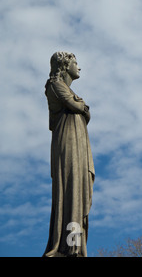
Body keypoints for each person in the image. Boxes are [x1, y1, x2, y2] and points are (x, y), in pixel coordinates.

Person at [43, 51, 95, 257]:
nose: (79, 67)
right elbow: (76, 105)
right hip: (67, 142)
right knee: (70, 188)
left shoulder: (64, 88)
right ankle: (66, 246)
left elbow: (84, 110)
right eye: (75, 62)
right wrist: (82, 106)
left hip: (79, 143)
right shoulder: (54, 85)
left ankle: (77, 245)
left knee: (80, 188)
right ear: (64, 65)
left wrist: (82, 108)